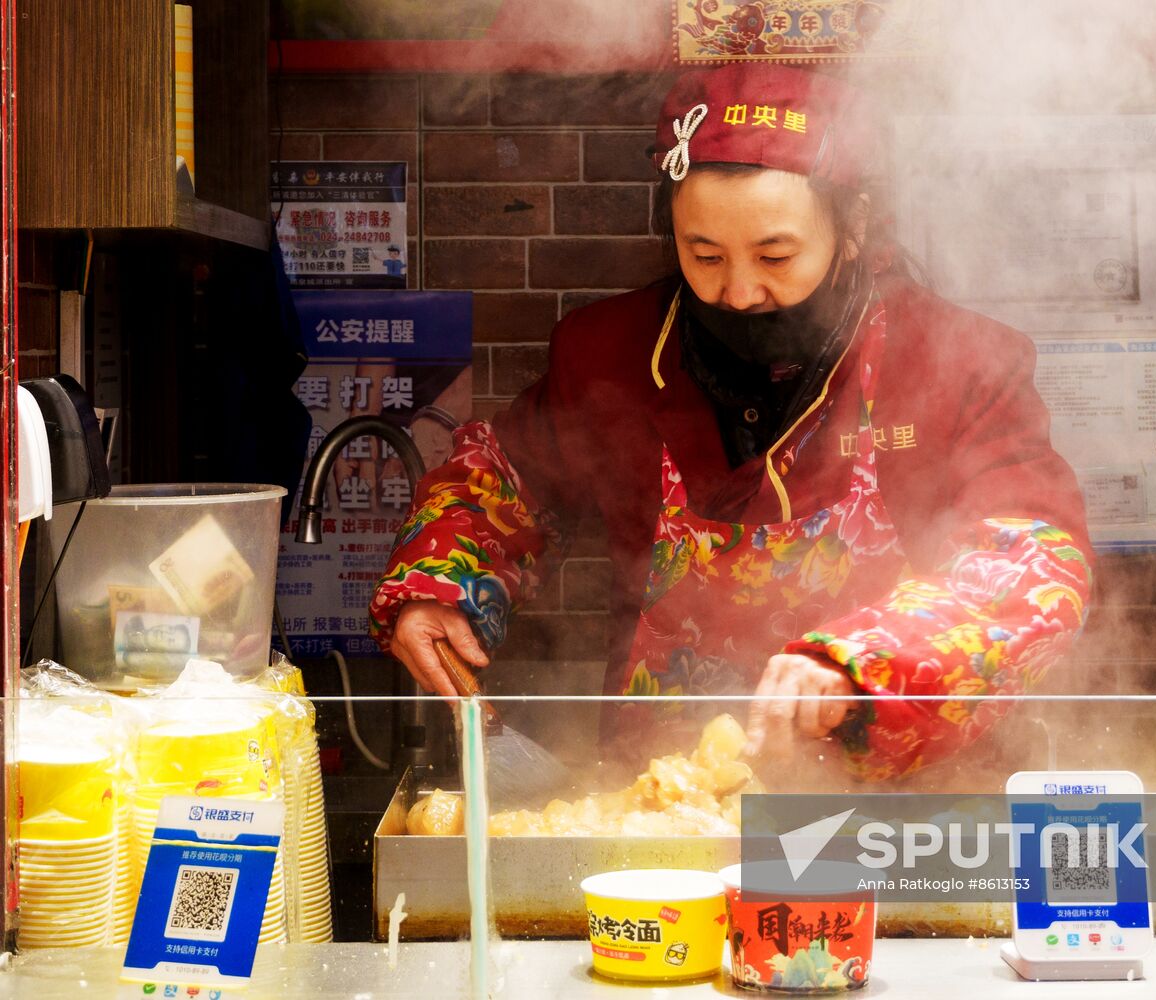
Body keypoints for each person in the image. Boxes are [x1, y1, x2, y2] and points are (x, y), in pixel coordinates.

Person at [368, 63, 1093, 781]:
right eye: (703, 254)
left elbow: (1032, 561)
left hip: (903, 813)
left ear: (854, 227)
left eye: (775, 254)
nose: (739, 292)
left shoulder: (957, 361)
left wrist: (864, 659)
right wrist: (439, 584)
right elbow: (503, 481)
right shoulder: (609, 351)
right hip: (658, 797)